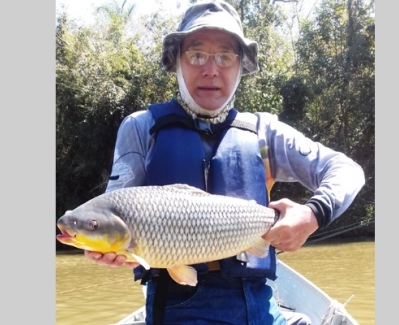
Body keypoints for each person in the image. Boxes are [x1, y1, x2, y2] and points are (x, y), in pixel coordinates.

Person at [84, 0, 365, 324]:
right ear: (177, 60)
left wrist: (313, 213)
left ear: (240, 65)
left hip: (257, 303)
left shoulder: (265, 131)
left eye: (225, 56)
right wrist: (109, 249)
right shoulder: (140, 127)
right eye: (197, 54)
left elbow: (347, 171)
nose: (211, 69)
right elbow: (110, 212)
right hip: (173, 308)